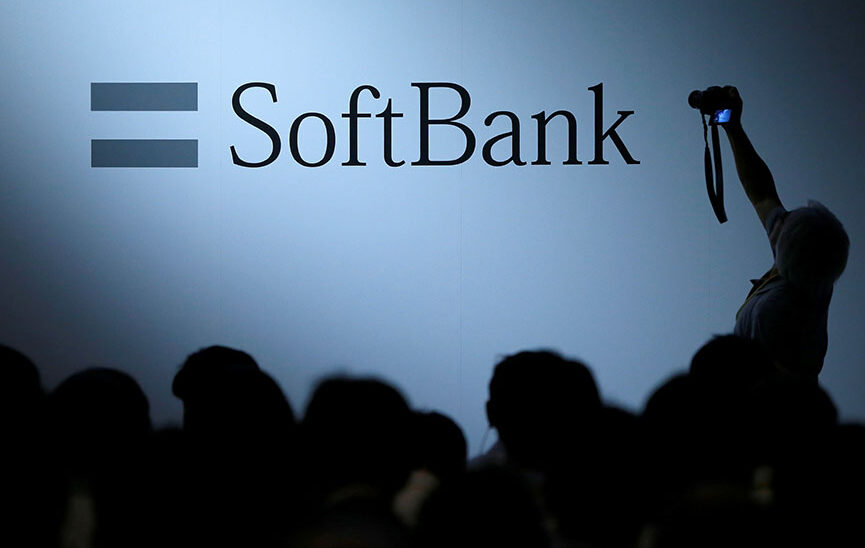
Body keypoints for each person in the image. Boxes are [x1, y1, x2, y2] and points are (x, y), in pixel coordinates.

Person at [718, 86, 849, 381]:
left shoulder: (773, 313)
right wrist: (733, 129)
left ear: (783, 247)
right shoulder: (814, 275)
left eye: (784, 223)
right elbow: (762, 193)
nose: (777, 218)